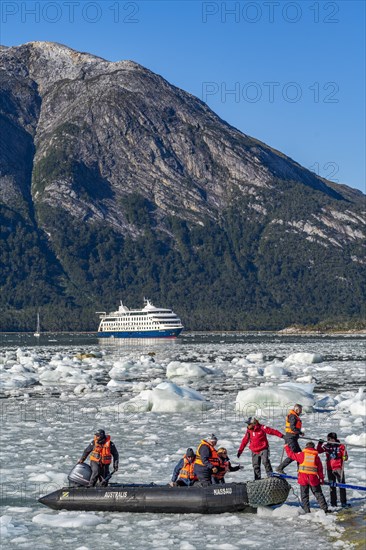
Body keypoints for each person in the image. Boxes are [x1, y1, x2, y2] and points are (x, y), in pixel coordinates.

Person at [285, 441, 329, 513]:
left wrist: (286, 447)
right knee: (318, 494)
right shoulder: (316, 457)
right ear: (313, 448)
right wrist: (321, 479)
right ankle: (325, 509)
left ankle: (307, 511)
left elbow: (291, 455)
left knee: (304, 495)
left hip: (303, 478)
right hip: (313, 479)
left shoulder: (302, 455)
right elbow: (320, 469)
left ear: (306, 447)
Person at [317, 432, 349, 508]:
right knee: (332, 486)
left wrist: (345, 457)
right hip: (329, 468)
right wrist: (320, 444)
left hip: (338, 468)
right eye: (327, 439)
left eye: (329, 439)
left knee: (341, 485)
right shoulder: (327, 446)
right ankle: (333, 503)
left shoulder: (341, 446)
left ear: (334, 439)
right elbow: (318, 451)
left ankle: (343, 502)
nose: (328, 440)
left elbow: (346, 456)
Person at [277, 403, 304, 473]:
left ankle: (300, 470)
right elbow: (292, 428)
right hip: (290, 438)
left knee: (300, 454)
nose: (301, 412)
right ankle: (280, 468)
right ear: (296, 409)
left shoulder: (294, 416)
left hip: (293, 438)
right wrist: (300, 432)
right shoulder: (293, 416)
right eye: (300, 410)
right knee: (294, 454)